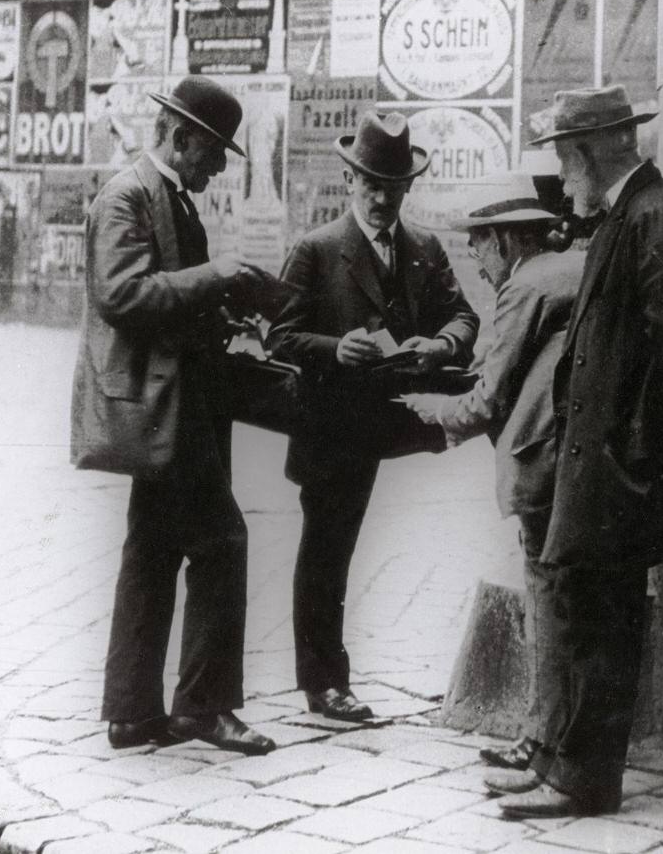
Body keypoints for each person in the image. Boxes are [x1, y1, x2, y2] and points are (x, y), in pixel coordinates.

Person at [485, 85, 663, 818]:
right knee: (583, 611)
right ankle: (556, 760)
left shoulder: (657, 216)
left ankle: (582, 780)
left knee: (603, 623)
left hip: (618, 469)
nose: (562, 173)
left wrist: (632, 457)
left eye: (565, 156)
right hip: (598, 461)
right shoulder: (631, 214)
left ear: (592, 150)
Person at [71, 76, 279, 756]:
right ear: (181, 137)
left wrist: (222, 310)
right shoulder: (127, 195)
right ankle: (202, 706)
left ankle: (132, 714)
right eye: (214, 151)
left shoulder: (169, 196)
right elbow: (122, 294)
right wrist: (216, 277)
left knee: (153, 550)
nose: (218, 166)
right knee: (221, 542)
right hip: (164, 408)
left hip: (178, 401)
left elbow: (169, 296)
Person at [268, 111, 479, 721]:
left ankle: (329, 678)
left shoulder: (424, 249)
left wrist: (441, 345)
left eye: (393, 185)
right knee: (327, 553)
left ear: (409, 187)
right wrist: (336, 348)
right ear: (348, 180)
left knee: (348, 548)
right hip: (331, 429)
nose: (382, 197)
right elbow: (279, 337)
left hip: (398, 424)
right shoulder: (316, 250)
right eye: (371, 184)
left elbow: (464, 317)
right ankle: (324, 684)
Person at [400, 173, 582, 773]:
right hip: (584, 467)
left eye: (477, 243)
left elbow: (487, 401)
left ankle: (541, 741)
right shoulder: (571, 268)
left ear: (506, 240)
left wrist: (433, 410)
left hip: (546, 467)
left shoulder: (526, 285)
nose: (475, 259)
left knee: (548, 602)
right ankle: (555, 739)